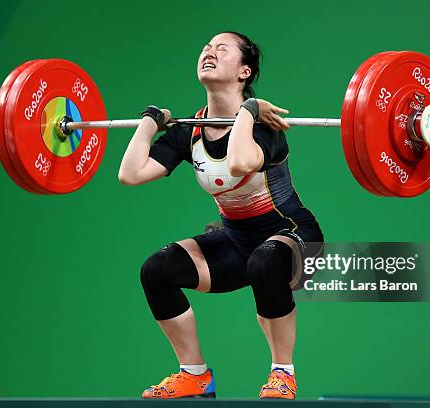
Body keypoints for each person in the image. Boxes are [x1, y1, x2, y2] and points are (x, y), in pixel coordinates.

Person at [118, 31, 324, 400]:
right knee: (157, 270)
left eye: (221, 49)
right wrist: (150, 121)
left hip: (293, 237)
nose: (209, 52)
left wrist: (248, 111)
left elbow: (241, 161)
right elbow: (130, 174)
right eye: (205, 48)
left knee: (264, 261)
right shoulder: (190, 131)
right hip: (236, 242)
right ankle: (194, 375)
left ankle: (283, 373)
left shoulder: (267, 125)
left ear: (244, 71)